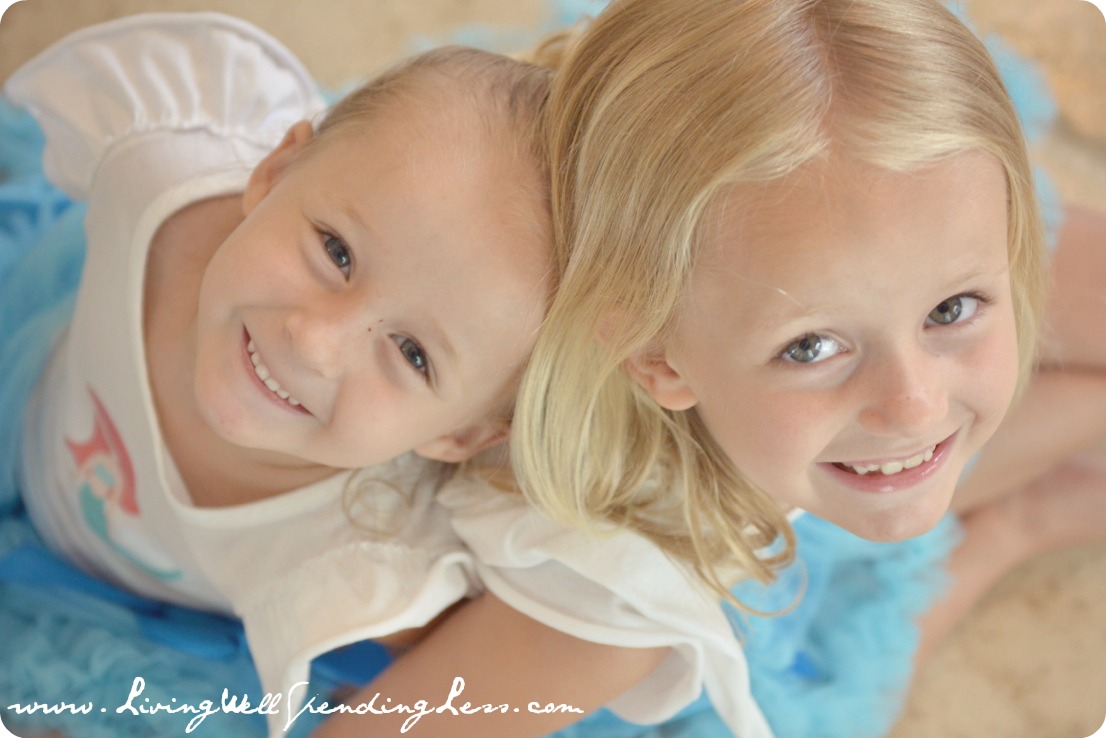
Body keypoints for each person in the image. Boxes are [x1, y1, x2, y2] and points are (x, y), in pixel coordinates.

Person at [0, 12, 733, 738]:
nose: (316, 341)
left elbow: (604, 630)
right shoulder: (154, 167)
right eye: (336, 251)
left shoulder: (381, 551)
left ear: (462, 433)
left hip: (144, 608)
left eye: (413, 354)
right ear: (275, 168)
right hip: (25, 391)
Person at [514, 0, 1106, 736]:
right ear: (656, 356)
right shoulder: (607, 602)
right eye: (811, 347)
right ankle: (1011, 529)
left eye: (953, 309)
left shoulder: (926, 191)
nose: (915, 404)